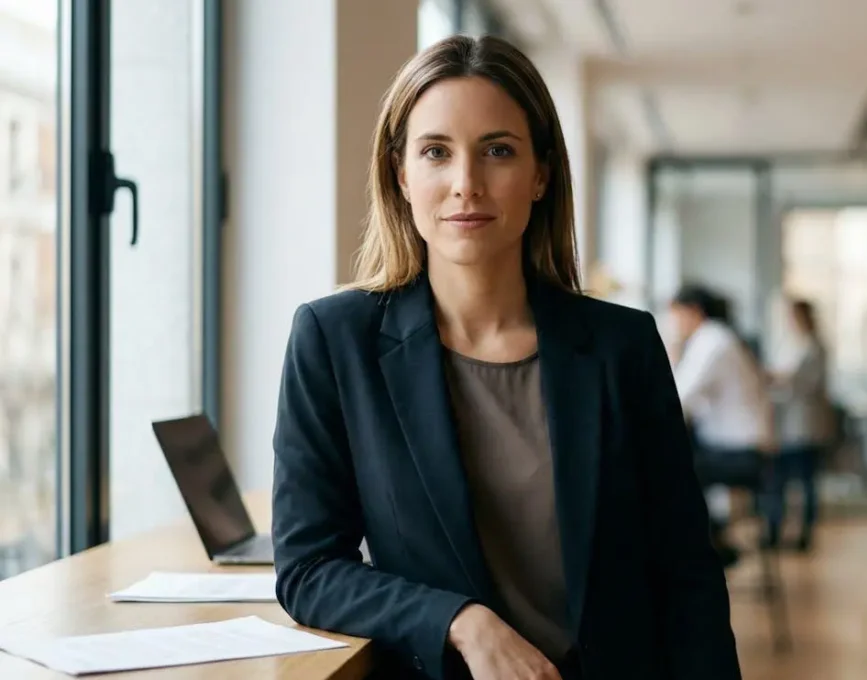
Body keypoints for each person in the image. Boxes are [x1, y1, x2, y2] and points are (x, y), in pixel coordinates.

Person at [271, 36, 740, 680]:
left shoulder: (621, 346)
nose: (466, 184)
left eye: (498, 151)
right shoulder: (333, 339)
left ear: (541, 174)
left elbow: (687, 574)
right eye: (436, 152)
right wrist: (458, 621)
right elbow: (308, 569)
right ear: (402, 174)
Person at [667, 284, 775, 565]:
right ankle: (712, 542)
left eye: (676, 315)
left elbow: (678, 399)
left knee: (669, 472)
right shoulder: (717, 338)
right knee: (675, 467)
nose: (673, 324)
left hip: (743, 453)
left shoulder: (711, 341)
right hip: (739, 447)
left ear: (693, 312)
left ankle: (707, 548)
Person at [765, 298, 834, 552]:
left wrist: (777, 377)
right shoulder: (791, 344)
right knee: (780, 481)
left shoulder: (815, 347)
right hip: (787, 425)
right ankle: (775, 530)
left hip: (805, 425)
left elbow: (801, 383)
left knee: (805, 482)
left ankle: (805, 533)